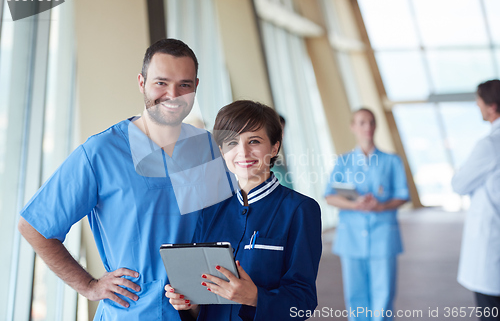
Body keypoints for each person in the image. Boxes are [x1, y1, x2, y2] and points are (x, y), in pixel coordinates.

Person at [18, 39, 235, 320]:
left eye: (184, 84)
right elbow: (34, 226)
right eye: (161, 83)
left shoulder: (206, 147)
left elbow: (227, 225)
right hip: (132, 312)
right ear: (142, 82)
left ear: (196, 86)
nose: (173, 95)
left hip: (199, 310)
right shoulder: (100, 152)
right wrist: (89, 286)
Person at [165, 100, 322, 320]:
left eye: (254, 141)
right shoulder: (209, 211)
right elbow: (204, 298)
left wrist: (255, 297)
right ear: (221, 151)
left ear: (274, 147)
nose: (243, 152)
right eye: (232, 143)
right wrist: (188, 303)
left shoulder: (300, 210)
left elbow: (303, 302)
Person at [324, 108, 409, 321]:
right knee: (355, 294)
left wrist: (380, 206)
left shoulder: (392, 161)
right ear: (353, 127)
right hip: (351, 237)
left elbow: (403, 195)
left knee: (385, 292)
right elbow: (329, 196)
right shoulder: (343, 162)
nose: (367, 127)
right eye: (362, 122)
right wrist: (355, 205)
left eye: (371, 122)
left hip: (383, 235)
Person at [452, 79, 500, 320]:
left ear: (491, 106)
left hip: (492, 248)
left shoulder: (490, 144)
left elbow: (459, 184)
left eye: (479, 102)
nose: (477, 106)